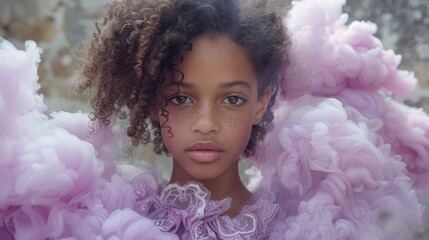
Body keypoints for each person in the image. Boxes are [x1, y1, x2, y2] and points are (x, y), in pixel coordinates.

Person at [78, 0, 289, 238]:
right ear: (155, 104)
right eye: (180, 99)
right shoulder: (113, 222)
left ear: (261, 102)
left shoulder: (295, 228)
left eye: (232, 100)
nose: (206, 124)